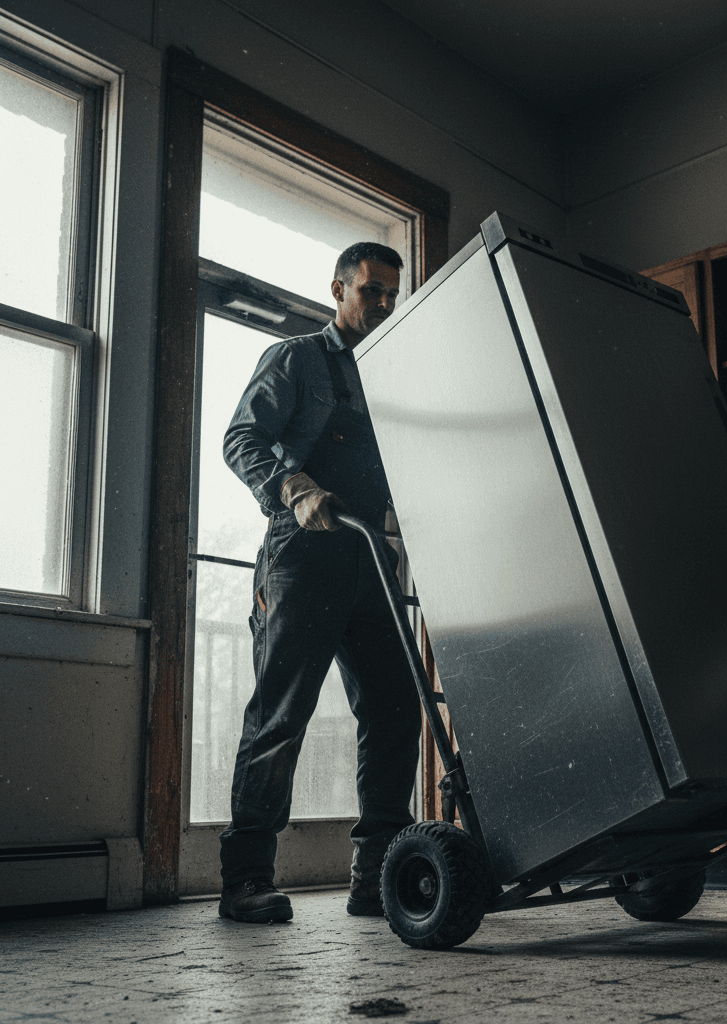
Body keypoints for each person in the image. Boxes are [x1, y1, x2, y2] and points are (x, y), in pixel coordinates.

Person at [217, 242, 422, 923]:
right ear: (338, 289)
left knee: (397, 708)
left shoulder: (395, 375)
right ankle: (246, 879)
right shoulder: (296, 358)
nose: (385, 304)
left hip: (371, 559)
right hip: (302, 555)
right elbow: (242, 437)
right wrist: (293, 486)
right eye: (372, 291)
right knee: (280, 716)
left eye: (393, 293)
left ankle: (377, 874)